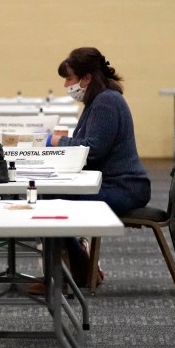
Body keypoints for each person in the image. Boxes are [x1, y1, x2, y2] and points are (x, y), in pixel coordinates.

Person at [46, 47, 151, 284]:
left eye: (69, 78)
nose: (66, 85)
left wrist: (56, 142)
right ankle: (74, 266)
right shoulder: (98, 100)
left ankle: (74, 267)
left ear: (86, 78)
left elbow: (92, 151)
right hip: (112, 182)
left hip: (125, 187)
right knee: (48, 196)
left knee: (49, 203)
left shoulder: (106, 102)